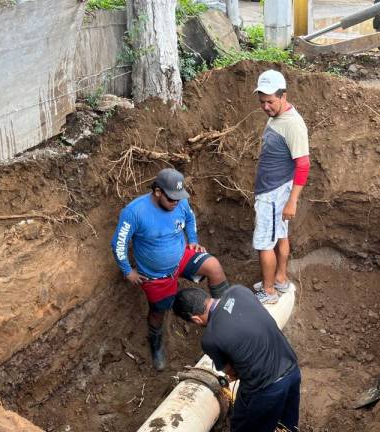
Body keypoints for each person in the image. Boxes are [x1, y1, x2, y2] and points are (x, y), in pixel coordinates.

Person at [111, 168, 230, 371]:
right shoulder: (134, 212)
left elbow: (190, 219)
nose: (176, 202)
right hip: (156, 275)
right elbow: (118, 243)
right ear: (157, 192)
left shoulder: (180, 202)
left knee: (214, 267)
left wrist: (192, 240)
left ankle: (226, 319)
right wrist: (127, 270)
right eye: (171, 198)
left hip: (181, 256)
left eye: (178, 198)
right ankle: (156, 345)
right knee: (159, 312)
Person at [173, 286, 300, 432]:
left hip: (266, 389)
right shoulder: (238, 291)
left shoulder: (210, 338)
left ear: (195, 318)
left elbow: (232, 373)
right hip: (292, 369)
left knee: (243, 426)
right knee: (287, 426)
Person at [252, 70, 310, 304]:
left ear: (283, 96)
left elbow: (303, 165)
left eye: (270, 102)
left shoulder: (293, 124)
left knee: (264, 242)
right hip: (275, 189)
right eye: (262, 102)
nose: (266, 106)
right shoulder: (278, 116)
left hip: (274, 193)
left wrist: (292, 201)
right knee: (281, 236)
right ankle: (280, 279)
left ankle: (268, 291)